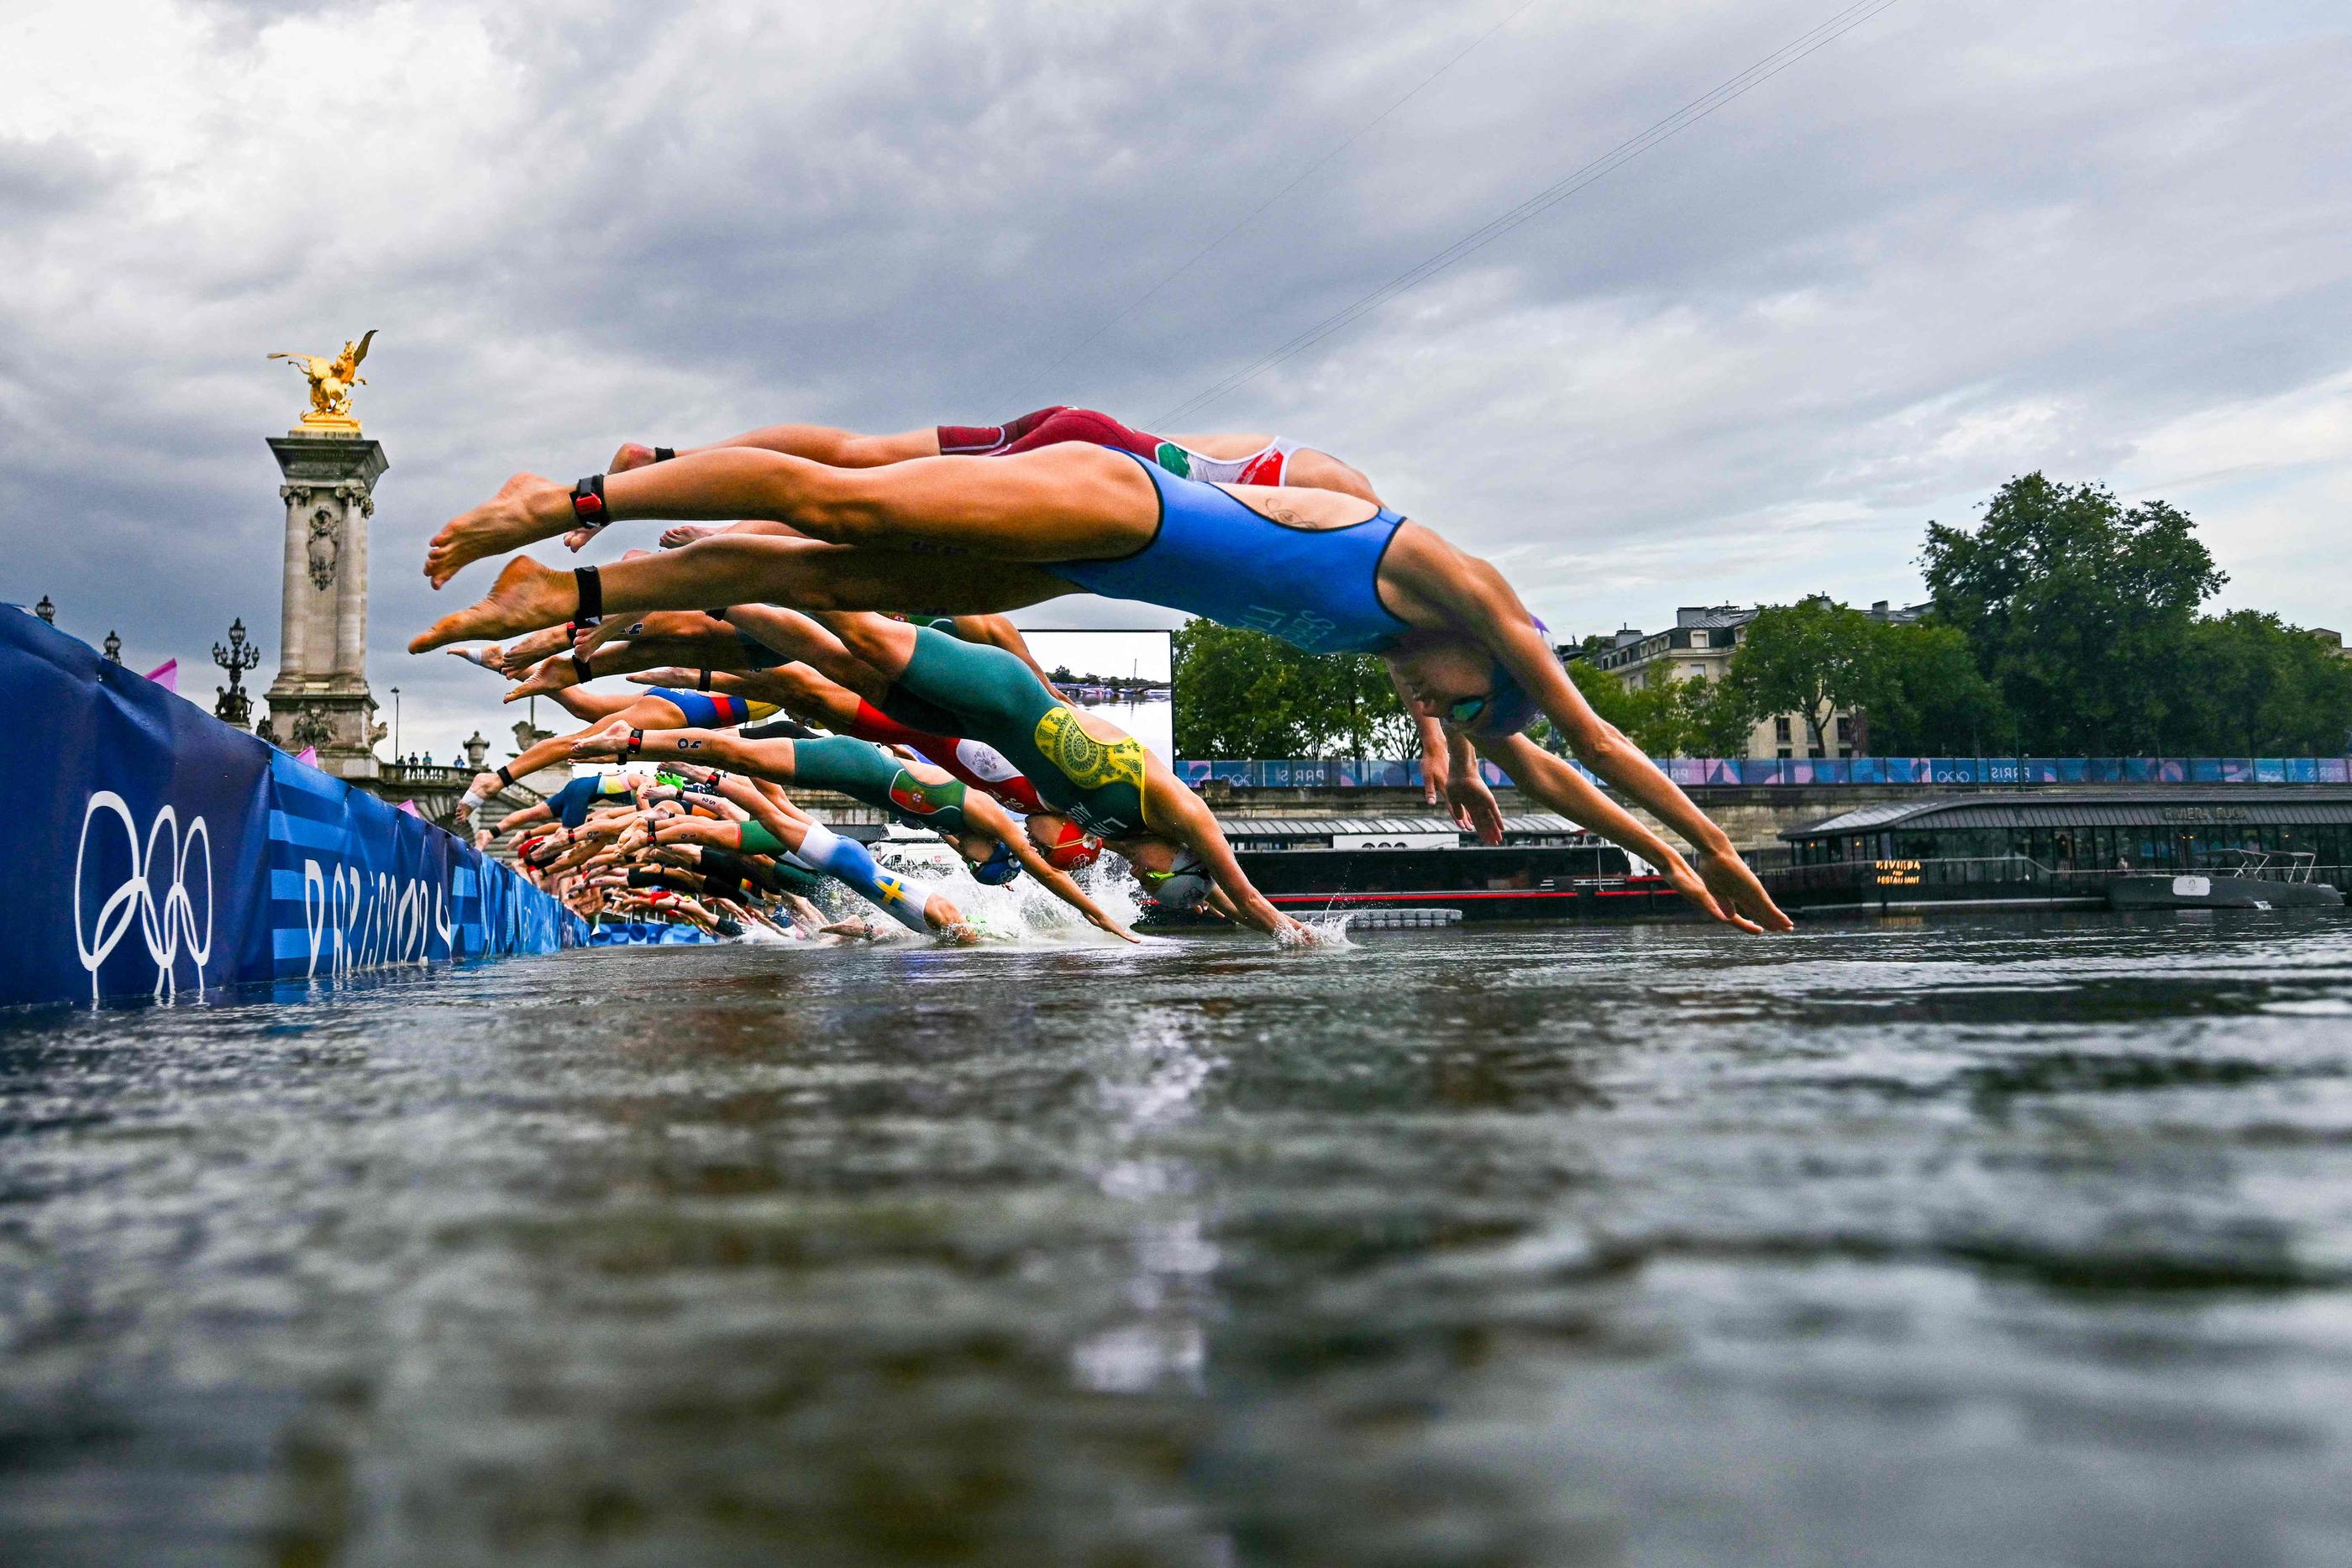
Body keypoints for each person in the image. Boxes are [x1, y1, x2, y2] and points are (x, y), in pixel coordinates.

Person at [415, 443, 1790, 931]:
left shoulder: (1425, 664)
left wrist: (1659, 863)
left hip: (1096, 567)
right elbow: (1593, 733)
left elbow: (1550, 765)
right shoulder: (1461, 587)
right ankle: (570, 504)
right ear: (1495, 652)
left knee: (838, 586)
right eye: (1472, 707)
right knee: (839, 502)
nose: (1450, 714)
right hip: (1116, 497)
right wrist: (1713, 844)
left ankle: (576, 600)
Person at [567, 721, 1138, 942]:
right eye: (982, 863)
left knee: (767, 812)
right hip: (861, 771)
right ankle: (654, 747)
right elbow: (1039, 867)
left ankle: (684, 774)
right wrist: (1102, 918)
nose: (971, 862)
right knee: (763, 801)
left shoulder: (964, 834)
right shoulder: (989, 818)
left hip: (860, 811)